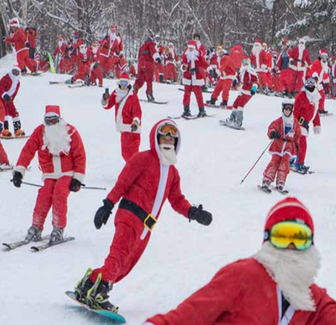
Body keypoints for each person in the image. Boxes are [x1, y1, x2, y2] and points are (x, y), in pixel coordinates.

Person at [127, 197, 336, 325]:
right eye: (284, 236)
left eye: (300, 238)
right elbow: (192, 313)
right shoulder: (243, 275)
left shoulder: (312, 297)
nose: (292, 247)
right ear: (268, 239)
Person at [73, 119, 212, 312]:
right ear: (155, 138)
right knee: (118, 257)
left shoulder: (172, 172)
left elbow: (177, 199)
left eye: (172, 139)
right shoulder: (143, 159)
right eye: (164, 137)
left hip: (146, 227)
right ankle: (99, 293)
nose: (168, 142)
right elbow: (122, 183)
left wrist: (194, 213)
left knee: (125, 266)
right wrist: (108, 204)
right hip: (130, 215)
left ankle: (88, 284)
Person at [12, 106, 86, 244]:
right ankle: (36, 226)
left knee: (59, 193)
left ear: (59, 118)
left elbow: (80, 155)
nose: (51, 123)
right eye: (48, 120)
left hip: (67, 172)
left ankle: (58, 228)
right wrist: (19, 172)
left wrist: (77, 178)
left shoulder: (70, 131)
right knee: (44, 194)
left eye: (54, 120)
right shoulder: (40, 132)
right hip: (49, 174)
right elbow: (28, 150)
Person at [261, 100, 301, 192]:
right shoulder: (279, 121)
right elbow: (271, 128)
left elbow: (298, 135)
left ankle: (281, 181)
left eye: (289, 109)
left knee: (285, 163)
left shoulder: (295, 123)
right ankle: (267, 179)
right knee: (274, 162)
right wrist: (273, 133)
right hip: (278, 145)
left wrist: (296, 145)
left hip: (288, 146)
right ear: (283, 109)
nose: (287, 111)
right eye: (286, 109)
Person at [101, 73, 142, 162]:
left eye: (125, 83)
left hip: (133, 128)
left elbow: (137, 111)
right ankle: (136, 170)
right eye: (122, 83)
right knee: (125, 154)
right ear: (119, 83)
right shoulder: (116, 93)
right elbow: (107, 106)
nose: (123, 86)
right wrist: (105, 99)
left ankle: (136, 171)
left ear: (128, 84)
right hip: (123, 129)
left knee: (132, 154)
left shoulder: (132, 95)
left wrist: (135, 122)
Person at [292, 77, 321, 174]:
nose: (310, 88)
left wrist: (317, 124)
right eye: (308, 86)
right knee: (302, 144)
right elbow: (295, 111)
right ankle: (299, 164)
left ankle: (291, 159)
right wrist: (294, 124)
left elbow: (315, 112)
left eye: (312, 86)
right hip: (299, 123)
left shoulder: (315, 97)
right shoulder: (301, 96)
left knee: (296, 144)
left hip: (306, 124)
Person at [223, 58, 258, 128]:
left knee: (240, 105)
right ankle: (232, 119)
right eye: (243, 62)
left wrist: (253, 89)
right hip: (242, 90)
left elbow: (255, 81)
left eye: (246, 62)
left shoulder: (250, 71)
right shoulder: (242, 71)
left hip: (248, 91)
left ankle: (239, 121)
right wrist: (235, 81)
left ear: (248, 63)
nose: (244, 63)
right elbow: (237, 78)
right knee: (235, 104)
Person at [181, 40, 209, 118]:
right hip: (188, 77)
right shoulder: (185, 55)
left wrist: (209, 68)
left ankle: (202, 110)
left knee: (198, 95)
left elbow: (204, 63)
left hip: (197, 78)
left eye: (191, 48)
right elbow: (183, 63)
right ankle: (186, 110)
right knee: (186, 95)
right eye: (189, 48)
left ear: (194, 48)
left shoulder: (198, 56)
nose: (190, 49)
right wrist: (183, 67)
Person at [0, 65, 26, 138]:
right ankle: (4, 130)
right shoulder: (6, 78)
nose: (15, 73)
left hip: (9, 99)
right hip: (1, 97)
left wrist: (11, 99)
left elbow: (14, 92)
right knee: (4, 112)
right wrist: (4, 94)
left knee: (14, 112)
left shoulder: (17, 82)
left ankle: (17, 129)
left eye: (17, 72)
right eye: (13, 71)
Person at [134, 35, 161, 102]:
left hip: (140, 64)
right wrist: (157, 57)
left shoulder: (142, 47)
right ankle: (149, 94)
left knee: (140, 79)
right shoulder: (150, 44)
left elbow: (139, 56)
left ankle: (134, 90)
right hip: (148, 64)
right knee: (149, 80)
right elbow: (153, 51)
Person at [307, 48, 330, 114]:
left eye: (326, 57)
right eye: (323, 56)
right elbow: (312, 70)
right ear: (320, 56)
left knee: (322, 95)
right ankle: (312, 109)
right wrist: (315, 75)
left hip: (319, 83)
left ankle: (320, 109)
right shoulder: (317, 62)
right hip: (312, 81)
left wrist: (326, 81)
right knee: (313, 96)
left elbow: (324, 74)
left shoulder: (325, 64)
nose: (324, 58)